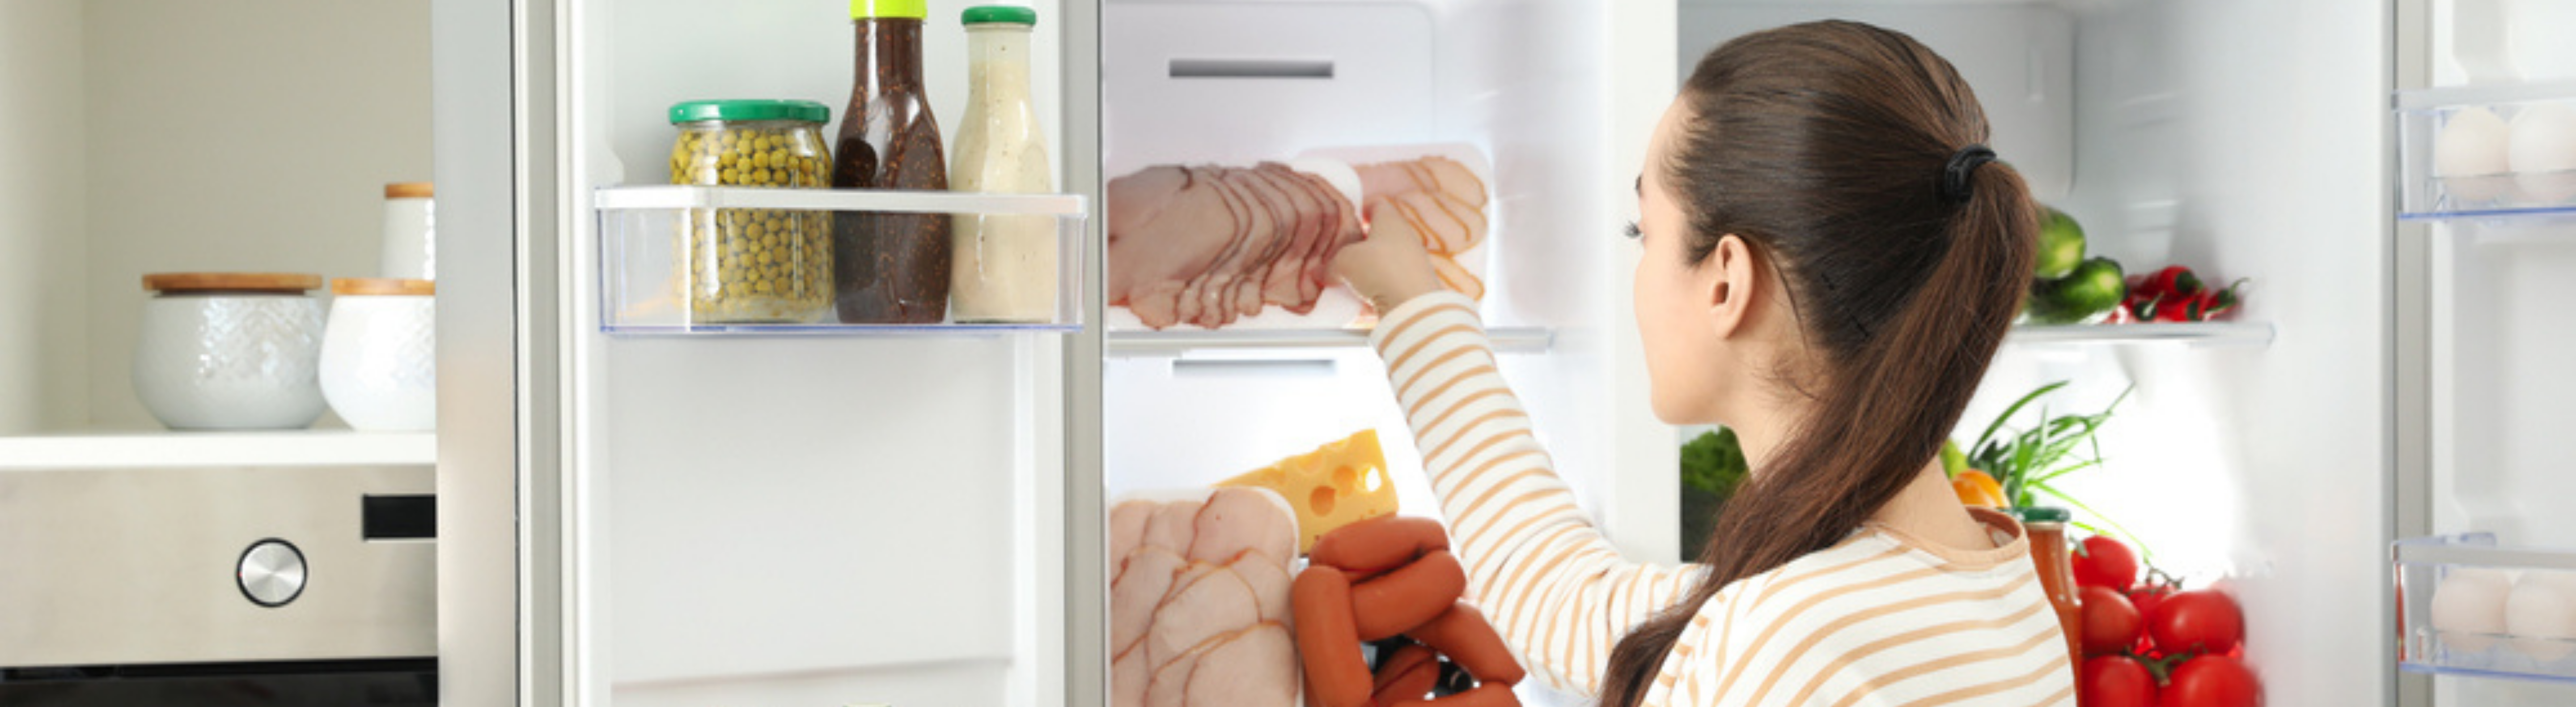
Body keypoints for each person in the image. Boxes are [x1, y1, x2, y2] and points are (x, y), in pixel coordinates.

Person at [1329, 20, 2071, 707]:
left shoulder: (1788, 642)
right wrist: (1415, 306)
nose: (1639, 268)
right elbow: (1565, 596)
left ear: (1725, 281)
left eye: (1641, 229)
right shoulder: (1997, 587)